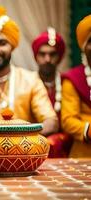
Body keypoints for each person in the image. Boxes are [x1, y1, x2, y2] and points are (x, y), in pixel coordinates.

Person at [0, 5, 58, 136]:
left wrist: (22, 140)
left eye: (1, 43)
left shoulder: (30, 80)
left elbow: (51, 121)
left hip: (23, 152)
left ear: (12, 45)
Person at [32, 28, 73, 157]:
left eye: (52, 54)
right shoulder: (27, 83)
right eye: (42, 54)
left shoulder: (68, 82)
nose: (47, 59)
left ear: (59, 56)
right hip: (32, 145)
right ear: (36, 56)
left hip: (66, 148)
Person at [61, 14, 91, 157]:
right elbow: (67, 120)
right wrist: (88, 130)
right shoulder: (73, 79)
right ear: (84, 47)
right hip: (84, 154)